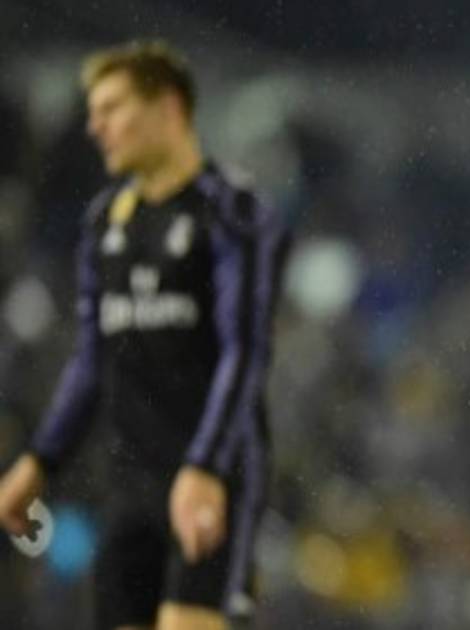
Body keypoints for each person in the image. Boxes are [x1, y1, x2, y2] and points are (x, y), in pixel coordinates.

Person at [0, 40, 290, 630]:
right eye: (93, 111)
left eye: (111, 108)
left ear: (168, 108)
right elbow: (92, 361)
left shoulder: (230, 212)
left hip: (213, 478)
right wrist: (39, 462)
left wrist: (205, 466)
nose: (95, 126)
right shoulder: (104, 224)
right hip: (128, 484)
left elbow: (244, 349)